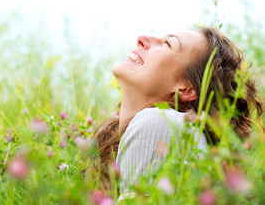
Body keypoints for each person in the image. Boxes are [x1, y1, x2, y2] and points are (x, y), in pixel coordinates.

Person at [94, 27, 264, 194]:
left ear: (186, 88)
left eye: (168, 44)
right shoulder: (168, 129)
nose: (142, 38)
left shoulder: (158, 122)